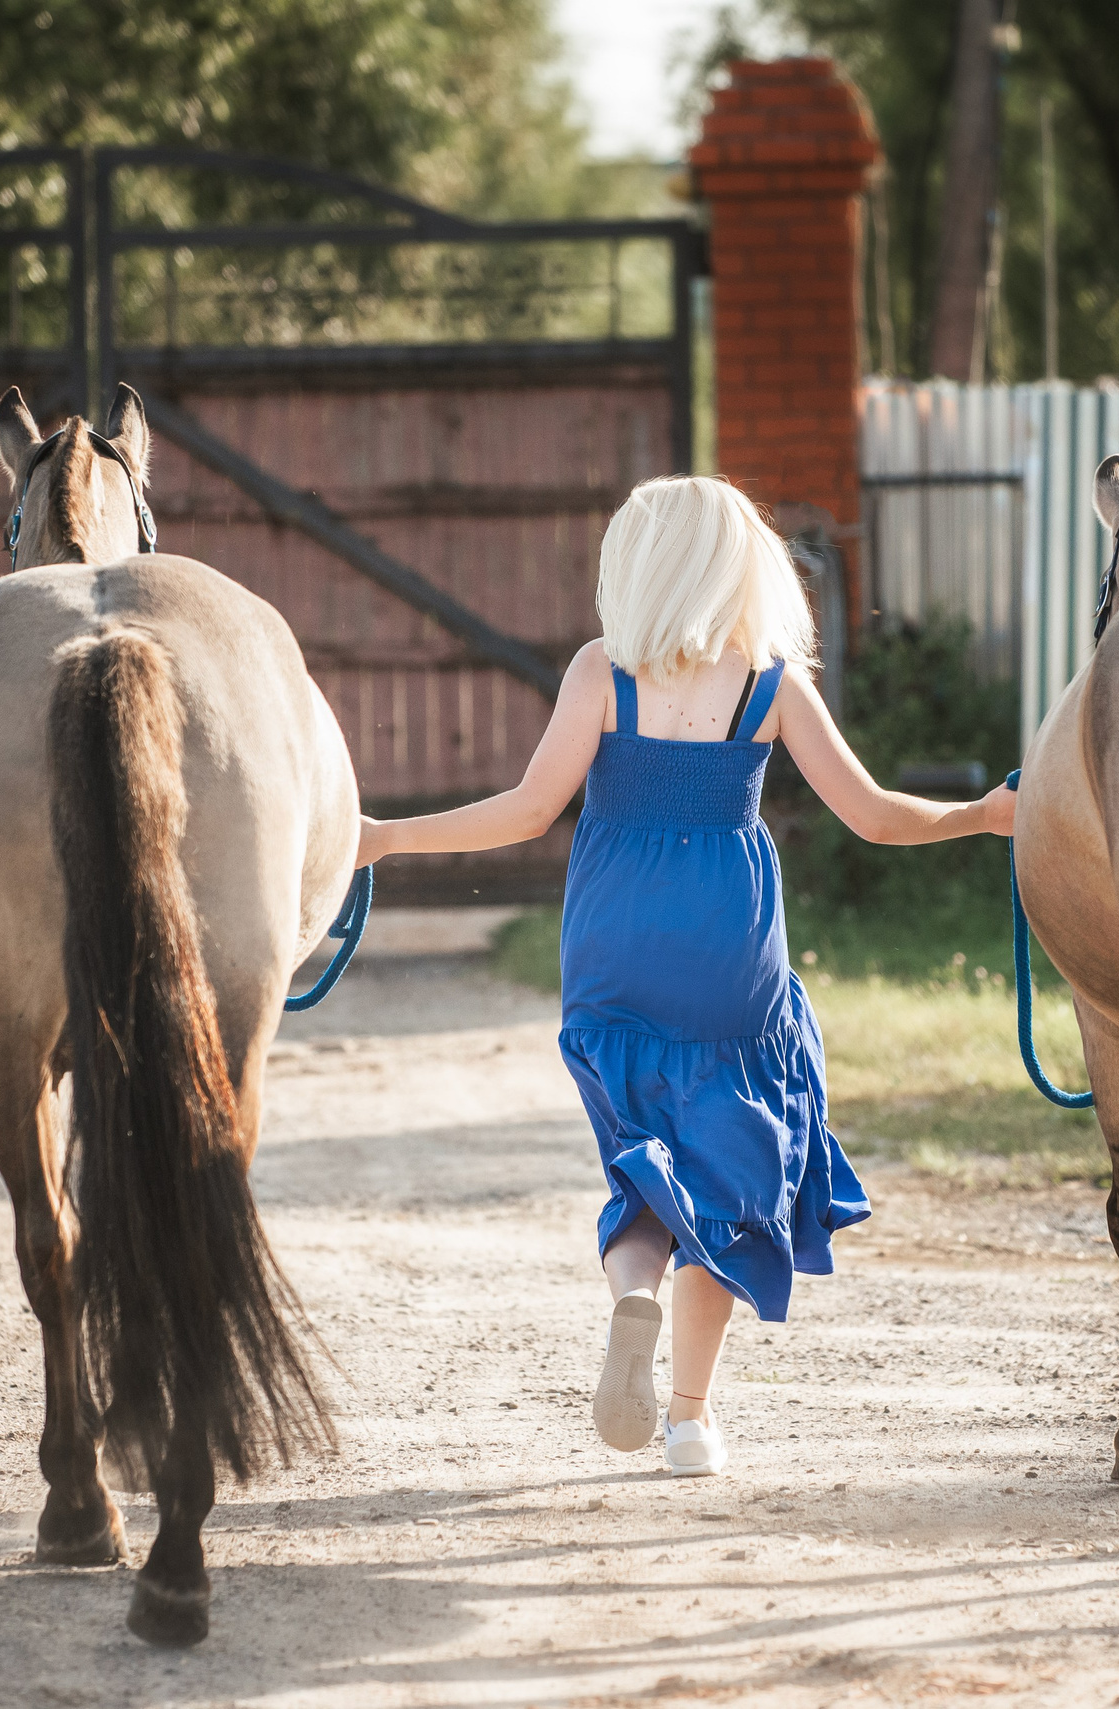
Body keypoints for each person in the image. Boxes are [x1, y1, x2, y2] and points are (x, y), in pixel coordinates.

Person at [353, 475, 1013, 1476]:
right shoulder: (770, 682)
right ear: (742, 566)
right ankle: (692, 1419)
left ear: (639, 567)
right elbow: (874, 813)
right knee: (730, 1172)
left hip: (615, 941)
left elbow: (529, 810)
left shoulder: (599, 673)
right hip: (728, 947)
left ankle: (633, 1295)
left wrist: (388, 836)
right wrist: (982, 815)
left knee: (640, 1153)